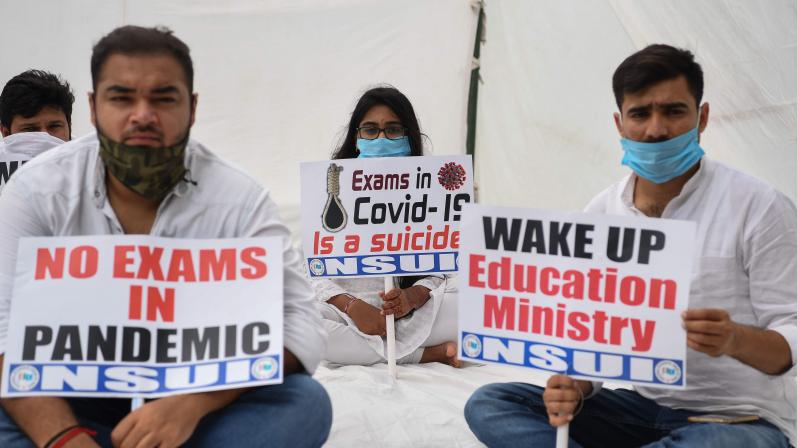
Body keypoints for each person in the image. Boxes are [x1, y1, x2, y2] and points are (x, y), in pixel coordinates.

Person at [0, 26, 331, 448]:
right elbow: (3, 330)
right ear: (94, 108)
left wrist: (193, 402)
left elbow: (301, 326)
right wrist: (63, 438)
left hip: (192, 409)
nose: (142, 115)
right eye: (121, 97)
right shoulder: (34, 190)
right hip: (68, 403)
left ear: (191, 108)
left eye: (164, 98)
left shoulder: (239, 200)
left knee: (305, 403)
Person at [464, 44, 797, 448]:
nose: (656, 129)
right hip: (639, 410)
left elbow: (792, 332)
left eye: (674, 111)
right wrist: (575, 386)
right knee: (492, 402)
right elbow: (593, 337)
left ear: (702, 118)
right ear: (620, 124)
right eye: (640, 114)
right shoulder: (601, 213)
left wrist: (734, 339)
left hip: (737, 420)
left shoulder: (759, 206)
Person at [312, 86, 460, 367]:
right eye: (370, 130)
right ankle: (422, 355)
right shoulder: (329, 186)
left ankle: (381, 351)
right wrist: (352, 306)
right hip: (346, 316)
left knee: (474, 295)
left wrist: (414, 296)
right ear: (356, 137)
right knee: (294, 319)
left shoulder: (432, 188)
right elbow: (312, 270)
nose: (381, 138)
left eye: (393, 130)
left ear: (409, 136)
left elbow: (445, 263)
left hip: (415, 315)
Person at [0, 70, 74, 141]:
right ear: (6, 134)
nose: (45, 138)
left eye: (54, 126)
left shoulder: (83, 153)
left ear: (69, 127)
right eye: (30, 129)